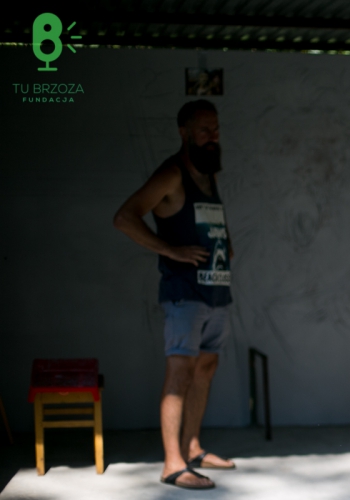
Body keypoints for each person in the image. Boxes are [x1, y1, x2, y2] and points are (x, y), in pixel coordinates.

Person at [114, 99, 235, 489]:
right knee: (180, 372)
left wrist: (225, 242)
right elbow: (125, 217)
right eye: (204, 130)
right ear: (184, 132)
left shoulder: (207, 172)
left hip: (215, 289)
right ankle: (172, 464)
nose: (212, 136)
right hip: (185, 292)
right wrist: (171, 250)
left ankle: (192, 448)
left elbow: (205, 219)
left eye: (215, 129)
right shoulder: (172, 173)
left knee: (206, 368)